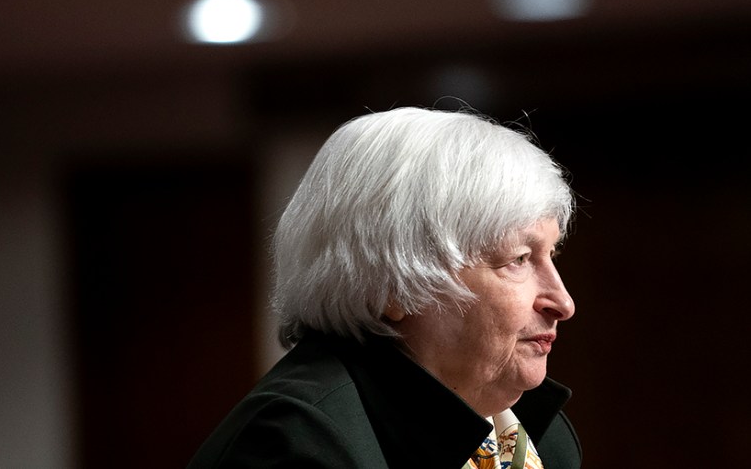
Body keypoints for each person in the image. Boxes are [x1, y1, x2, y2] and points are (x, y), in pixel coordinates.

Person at [187, 107, 581, 468]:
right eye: (518, 260)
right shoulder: (297, 443)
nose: (562, 302)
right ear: (395, 284)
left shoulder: (536, 439)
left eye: (552, 256)